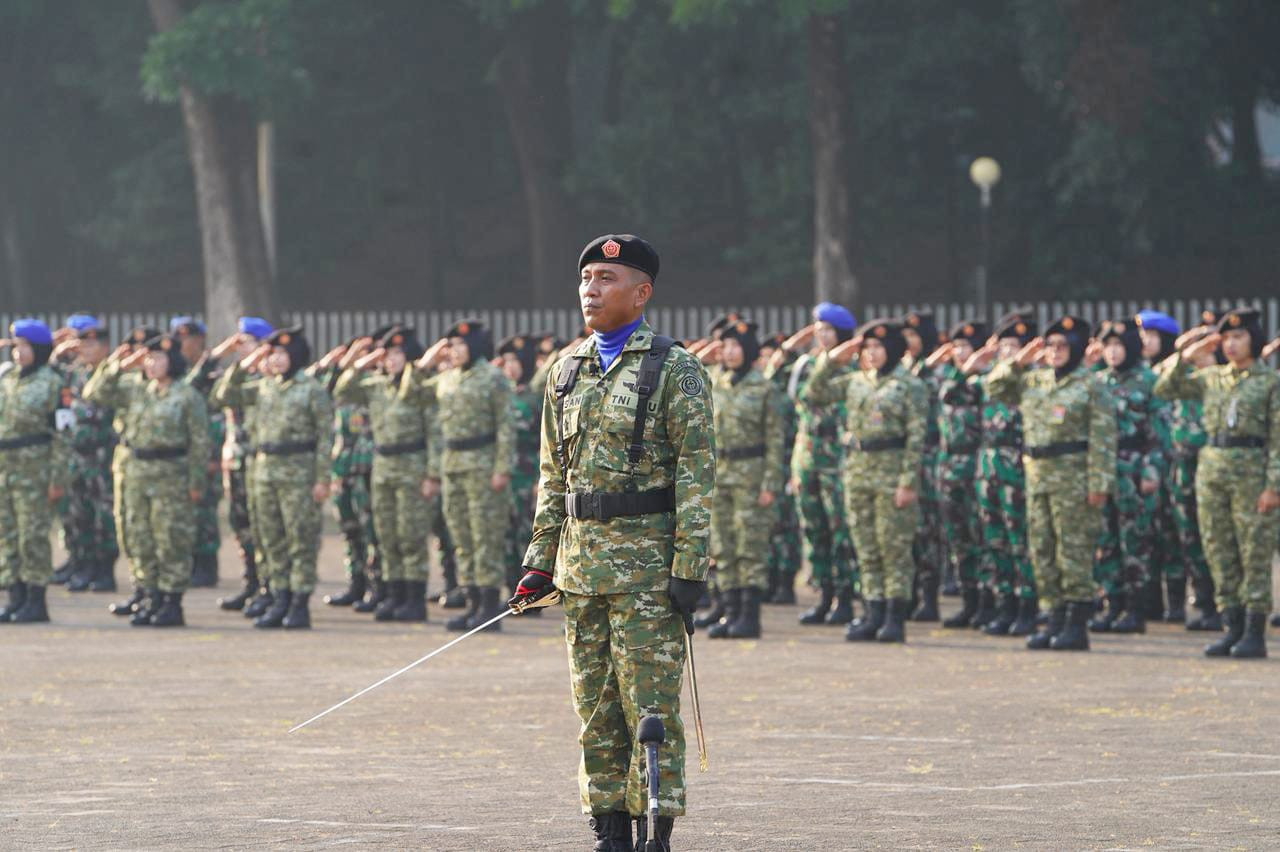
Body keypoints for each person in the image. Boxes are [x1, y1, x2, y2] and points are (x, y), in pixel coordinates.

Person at [510, 234, 713, 852]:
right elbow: (554, 476)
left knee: (649, 707)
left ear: (641, 293)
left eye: (605, 278)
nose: (590, 290)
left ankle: (656, 822)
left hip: (648, 569)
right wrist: (538, 562)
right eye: (586, 279)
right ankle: (609, 826)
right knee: (594, 709)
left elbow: (696, 474)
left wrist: (689, 566)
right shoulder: (565, 370)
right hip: (580, 569)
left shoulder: (674, 368)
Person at [1154, 307, 1280, 658]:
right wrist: (1186, 356)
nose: (1231, 344)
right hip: (1212, 472)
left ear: (1254, 340)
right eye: (1226, 338)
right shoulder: (1212, 378)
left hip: (1252, 474)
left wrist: (1274, 486)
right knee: (1218, 550)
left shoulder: (1270, 382)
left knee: (1253, 553)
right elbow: (1164, 388)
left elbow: (1278, 437)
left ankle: (1254, 630)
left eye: (1238, 337)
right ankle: (1232, 627)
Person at [986, 316, 1117, 651]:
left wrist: (1099, 483)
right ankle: (1053, 617)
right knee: (1041, 550)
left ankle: (1076, 623)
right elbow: (994, 387)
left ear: (1076, 349)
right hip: (1038, 476)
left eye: (1063, 346)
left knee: (1072, 551)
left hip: (1074, 478)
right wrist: (1018, 361)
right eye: (1051, 345)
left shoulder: (1091, 385)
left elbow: (1103, 439)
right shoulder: (1034, 380)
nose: (1056, 352)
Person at [801, 317, 926, 643]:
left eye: (878, 346)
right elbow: (812, 393)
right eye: (867, 347)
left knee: (893, 548)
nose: (871, 353)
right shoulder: (856, 381)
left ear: (894, 349)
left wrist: (908, 482)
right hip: (858, 472)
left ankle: (894, 617)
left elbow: (916, 438)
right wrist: (831, 360)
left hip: (891, 472)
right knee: (866, 547)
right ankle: (872, 613)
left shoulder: (910, 385)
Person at [83, 333, 210, 626]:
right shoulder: (135, 389)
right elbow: (94, 393)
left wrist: (195, 482)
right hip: (136, 473)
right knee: (138, 536)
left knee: (170, 538)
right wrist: (120, 365)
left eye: (159, 358)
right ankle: (150, 594)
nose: (152, 364)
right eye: (148, 358)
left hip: (170, 473)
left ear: (173, 361)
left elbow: (200, 443)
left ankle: (171, 601)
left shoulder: (186, 395)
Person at [212, 326, 333, 630]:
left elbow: (324, 437)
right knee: (270, 538)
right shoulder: (264, 386)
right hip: (264, 471)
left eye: (283, 353)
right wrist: (247, 363)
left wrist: (322, 479)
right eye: (273, 353)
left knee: (299, 538)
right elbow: (223, 395)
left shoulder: (311, 389)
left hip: (299, 471)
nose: (277, 360)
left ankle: (299, 601)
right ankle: (279, 597)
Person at [404, 319, 514, 632]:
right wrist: (426, 362)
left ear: (476, 347)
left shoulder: (493, 378)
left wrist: (502, 468)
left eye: (461, 345)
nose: (454, 351)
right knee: (461, 537)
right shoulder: (446, 378)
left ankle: (489, 608)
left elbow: (506, 426)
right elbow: (410, 394)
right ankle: (472, 602)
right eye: (451, 346)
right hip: (452, 465)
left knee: (485, 537)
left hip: (482, 463)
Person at [333, 326, 436, 622]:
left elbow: (435, 432)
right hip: (383, 467)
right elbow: (342, 389)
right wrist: (364, 361)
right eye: (387, 354)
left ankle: (414, 598)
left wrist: (431, 474)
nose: (390, 360)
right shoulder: (376, 385)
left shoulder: (421, 389)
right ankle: (394, 595)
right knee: (386, 534)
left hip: (411, 464)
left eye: (397, 354)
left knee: (410, 534)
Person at [766, 304, 857, 626]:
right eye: (818, 329)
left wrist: (828, 362)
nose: (821, 335)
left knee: (840, 532)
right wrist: (790, 348)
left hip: (837, 462)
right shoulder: (805, 364)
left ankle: (845, 598)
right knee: (814, 531)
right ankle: (824, 595)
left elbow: (814, 396)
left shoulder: (852, 368)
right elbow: (772, 380)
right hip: (806, 459)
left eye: (829, 330)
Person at [703, 319, 784, 639]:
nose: (730, 352)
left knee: (749, 545)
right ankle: (731, 611)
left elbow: (776, 439)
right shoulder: (712, 382)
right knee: (722, 545)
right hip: (720, 474)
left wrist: (770, 484)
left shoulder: (764, 387)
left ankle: (750, 616)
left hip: (752, 473)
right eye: (726, 346)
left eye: (736, 346)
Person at [964, 311, 1039, 636]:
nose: (1008, 353)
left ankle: (1028, 607)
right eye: (1004, 346)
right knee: (995, 541)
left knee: (1021, 542)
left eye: (1014, 346)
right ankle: (1004, 605)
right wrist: (977, 361)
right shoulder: (991, 380)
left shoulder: (1035, 381)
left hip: (1018, 468)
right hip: (989, 467)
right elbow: (952, 392)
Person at [1089, 319, 1162, 634]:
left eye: (1119, 346)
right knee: (1105, 541)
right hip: (1103, 469)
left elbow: (1160, 432)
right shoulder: (1097, 381)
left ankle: (1136, 608)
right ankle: (1112, 604)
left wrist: (1150, 471)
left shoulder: (1147, 381)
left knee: (1134, 540)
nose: (1113, 352)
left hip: (1133, 469)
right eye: (1108, 346)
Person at [0, 320, 72, 623]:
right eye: (16, 346)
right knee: (8, 534)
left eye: (26, 346)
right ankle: (14, 596)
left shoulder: (54, 382)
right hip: (5, 467)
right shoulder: (6, 379)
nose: (19, 352)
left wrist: (58, 477)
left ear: (39, 349)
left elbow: (64, 433)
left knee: (33, 535)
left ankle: (35, 599)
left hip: (35, 468)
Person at [51, 315, 120, 594]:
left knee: (103, 515)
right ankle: (83, 564)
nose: (85, 350)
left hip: (101, 455)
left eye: (92, 345)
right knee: (79, 513)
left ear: (104, 347)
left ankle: (104, 571)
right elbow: (52, 376)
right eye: (82, 344)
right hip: (76, 456)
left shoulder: (112, 373)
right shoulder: (75, 373)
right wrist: (56, 353)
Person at [210, 317, 273, 611]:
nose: (241, 348)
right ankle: (251, 584)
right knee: (241, 526)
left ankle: (269, 587)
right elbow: (217, 396)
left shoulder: (270, 376)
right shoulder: (236, 376)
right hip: (234, 462)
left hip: (258, 463)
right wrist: (220, 356)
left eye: (247, 342)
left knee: (264, 527)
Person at [931, 321, 990, 628]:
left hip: (977, 467)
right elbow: (928, 383)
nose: (961, 353)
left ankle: (987, 602)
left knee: (982, 539)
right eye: (956, 347)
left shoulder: (989, 380)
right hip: (949, 467)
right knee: (959, 540)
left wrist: (970, 369)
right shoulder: (946, 377)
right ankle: (969, 602)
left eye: (967, 346)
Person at [903, 310, 949, 603]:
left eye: (914, 336)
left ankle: (930, 593)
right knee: (910, 527)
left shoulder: (939, 370)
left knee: (930, 527)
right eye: (906, 336)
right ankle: (912, 590)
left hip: (931, 455)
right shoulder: (904, 368)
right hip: (907, 456)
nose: (909, 342)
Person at [497, 333, 543, 609]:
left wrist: (540, 479)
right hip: (505, 476)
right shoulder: (501, 395)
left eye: (516, 361)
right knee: (506, 534)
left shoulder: (536, 398)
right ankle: (510, 590)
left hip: (528, 475)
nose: (511, 367)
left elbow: (545, 443)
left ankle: (531, 595)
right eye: (507, 361)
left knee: (528, 536)